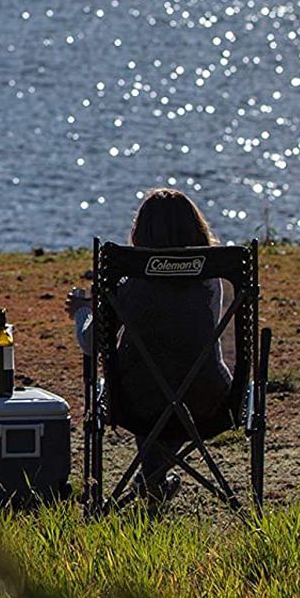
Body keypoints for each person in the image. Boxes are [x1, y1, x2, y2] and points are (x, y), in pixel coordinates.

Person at [64, 187, 233, 505]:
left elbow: (91, 344)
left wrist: (85, 311)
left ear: (140, 232)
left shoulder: (130, 281)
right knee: (172, 378)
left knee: (148, 376)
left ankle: (153, 482)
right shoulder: (210, 279)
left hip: (137, 403)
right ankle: (154, 482)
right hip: (208, 399)